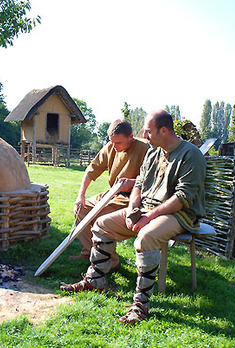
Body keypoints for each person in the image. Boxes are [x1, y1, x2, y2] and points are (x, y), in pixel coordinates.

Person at [60, 109, 206, 325]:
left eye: (148, 132)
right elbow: (138, 183)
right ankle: (95, 280)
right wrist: (133, 209)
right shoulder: (154, 153)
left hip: (179, 214)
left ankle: (141, 305)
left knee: (146, 237)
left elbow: (183, 197)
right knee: (101, 224)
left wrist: (150, 216)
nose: (144, 136)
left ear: (163, 131)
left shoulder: (191, 154)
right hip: (147, 209)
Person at [70, 119, 149, 271]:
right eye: (112, 142)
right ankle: (89, 252)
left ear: (130, 137)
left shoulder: (145, 149)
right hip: (113, 193)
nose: (114, 146)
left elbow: (153, 179)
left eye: (118, 142)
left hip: (133, 197)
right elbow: (90, 171)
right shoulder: (110, 147)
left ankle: (111, 262)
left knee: (100, 215)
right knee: (82, 208)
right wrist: (81, 196)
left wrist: (131, 183)